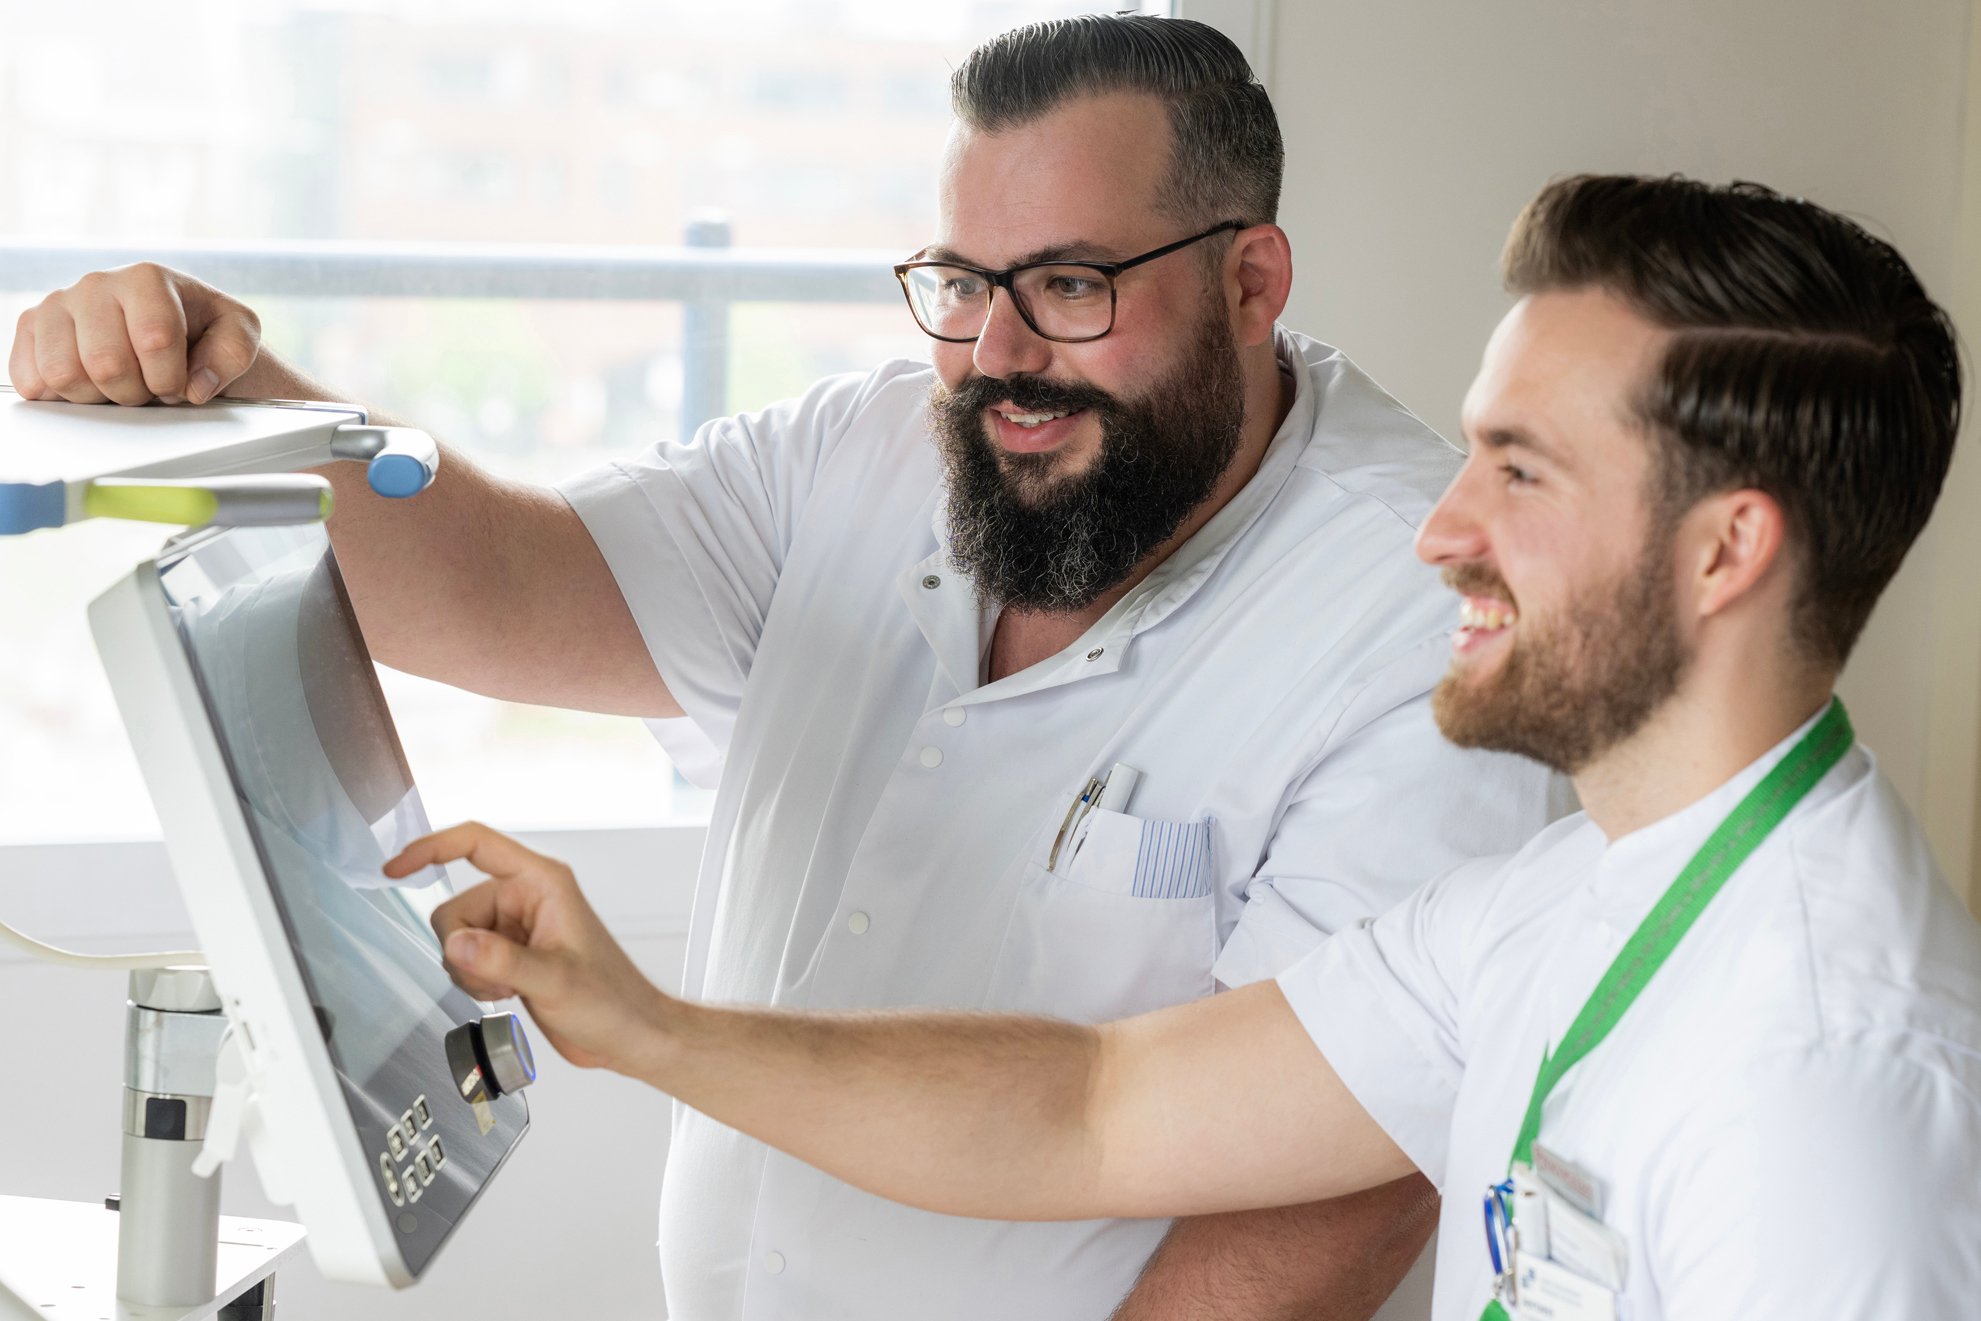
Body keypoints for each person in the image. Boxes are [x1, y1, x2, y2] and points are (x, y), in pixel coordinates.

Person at [9, 16, 1561, 1320]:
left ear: (1251, 281)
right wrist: (227, 389)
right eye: (962, 282)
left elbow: (1344, 1172)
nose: (999, 354)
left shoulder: (1419, 607)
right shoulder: (869, 445)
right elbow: (497, 586)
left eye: (1070, 286)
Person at [387, 174, 1981, 1320]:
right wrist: (650, 1026)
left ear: (1724, 551)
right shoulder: (1555, 906)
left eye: (1519, 471)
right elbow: (1093, 1106)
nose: (1439, 529)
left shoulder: (1829, 1087)